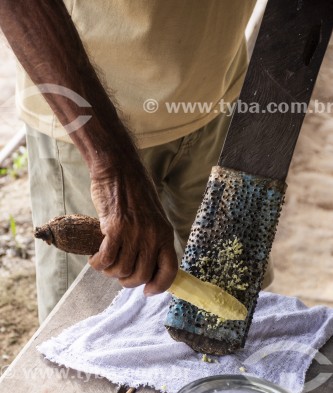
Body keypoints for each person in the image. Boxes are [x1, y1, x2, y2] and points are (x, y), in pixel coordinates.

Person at [0, 0, 258, 321]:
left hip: (217, 89)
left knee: (232, 295)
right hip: (90, 123)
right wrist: (110, 168)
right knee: (90, 323)